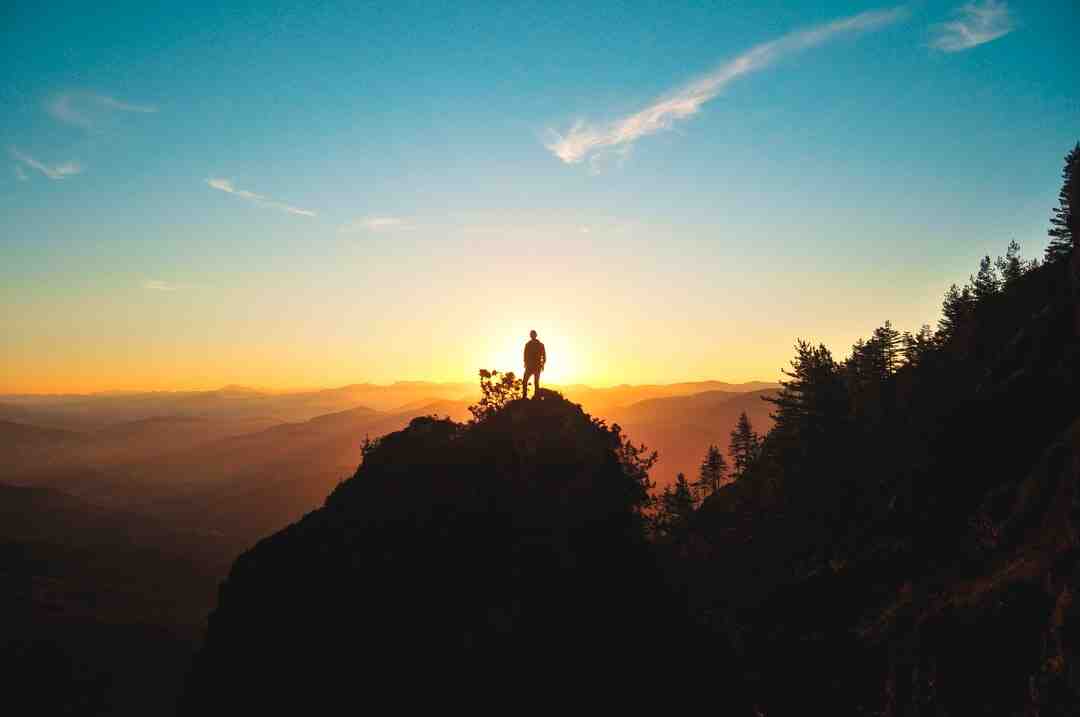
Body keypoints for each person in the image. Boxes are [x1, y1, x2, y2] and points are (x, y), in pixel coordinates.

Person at [522, 330, 546, 399]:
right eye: (531, 334)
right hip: (530, 366)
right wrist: (525, 363)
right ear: (530, 335)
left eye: (533, 334)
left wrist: (543, 364)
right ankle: (524, 396)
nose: (532, 336)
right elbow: (525, 355)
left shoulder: (540, 344)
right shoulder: (528, 344)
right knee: (525, 381)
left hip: (537, 366)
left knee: (536, 382)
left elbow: (544, 356)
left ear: (535, 335)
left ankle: (536, 396)